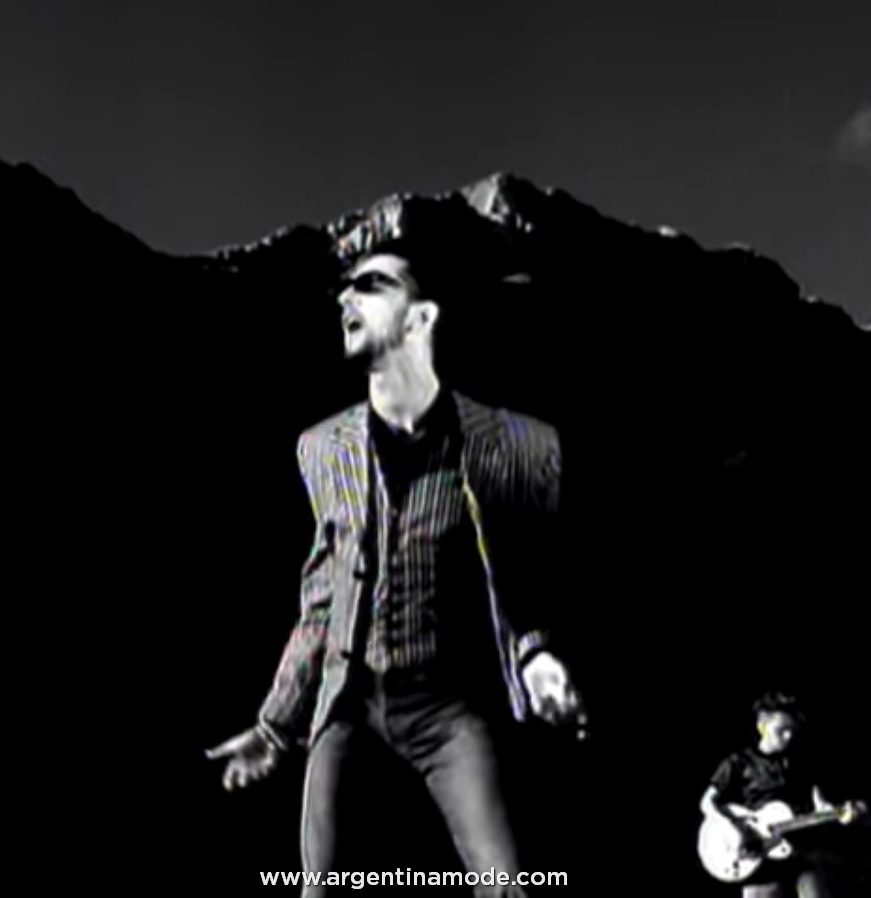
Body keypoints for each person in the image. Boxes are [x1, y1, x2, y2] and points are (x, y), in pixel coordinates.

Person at [205, 235, 586, 896]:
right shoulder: (322, 449)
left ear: (421, 317)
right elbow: (321, 602)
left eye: (372, 284)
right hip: (351, 705)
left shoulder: (516, 445)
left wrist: (537, 656)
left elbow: (528, 577)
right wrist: (275, 724)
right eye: (344, 286)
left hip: (449, 710)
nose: (345, 297)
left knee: (510, 885)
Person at [699, 692, 858, 898]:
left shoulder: (801, 762)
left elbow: (820, 805)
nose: (788, 736)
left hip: (802, 851)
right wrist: (732, 826)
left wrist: (836, 814)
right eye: (781, 730)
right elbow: (707, 803)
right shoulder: (739, 762)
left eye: (791, 730)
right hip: (760, 853)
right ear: (762, 727)